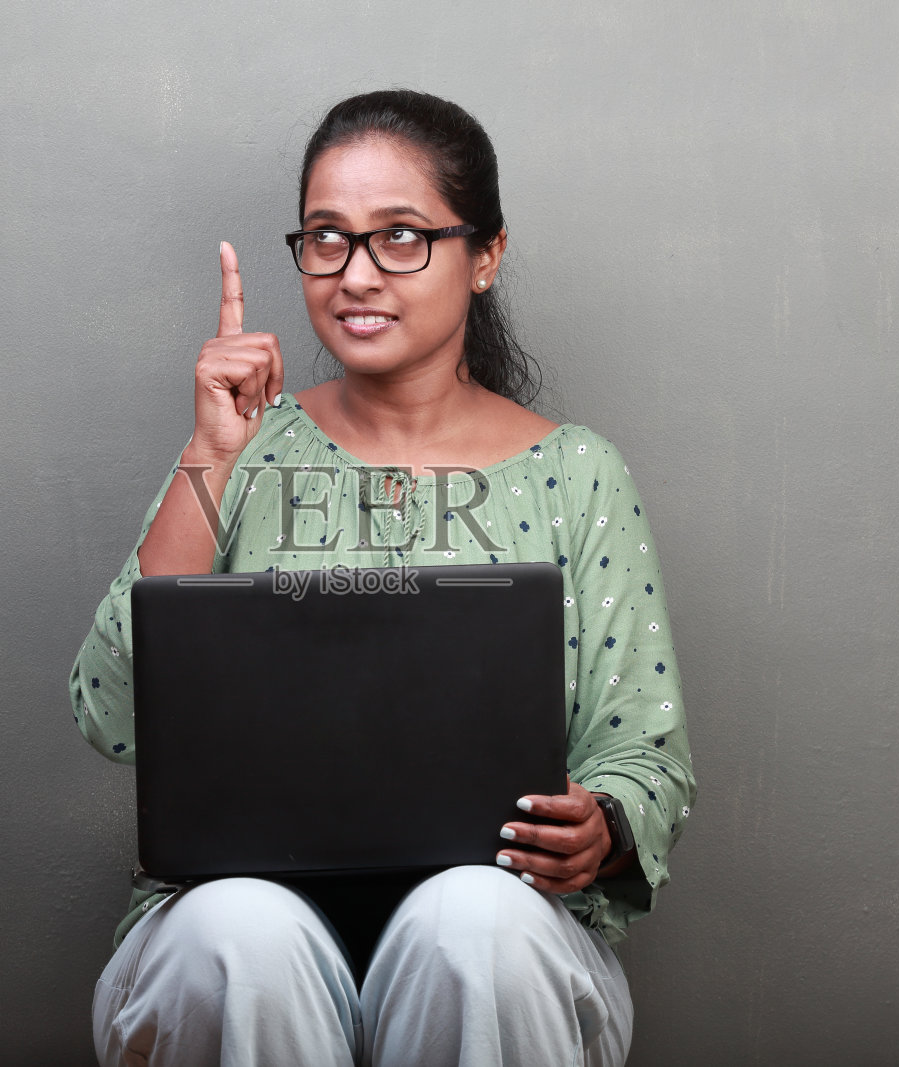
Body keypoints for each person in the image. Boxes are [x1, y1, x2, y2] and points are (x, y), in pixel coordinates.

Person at [70, 89, 696, 1067]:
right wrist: (211, 453)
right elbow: (112, 709)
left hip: (503, 942)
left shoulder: (578, 474)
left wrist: (601, 824)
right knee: (240, 930)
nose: (355, 274)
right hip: (240, 942)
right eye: (326, 239)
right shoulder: (241, 453)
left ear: (483, 255)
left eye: (400, 236)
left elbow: (642, 754)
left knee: (472, 918)